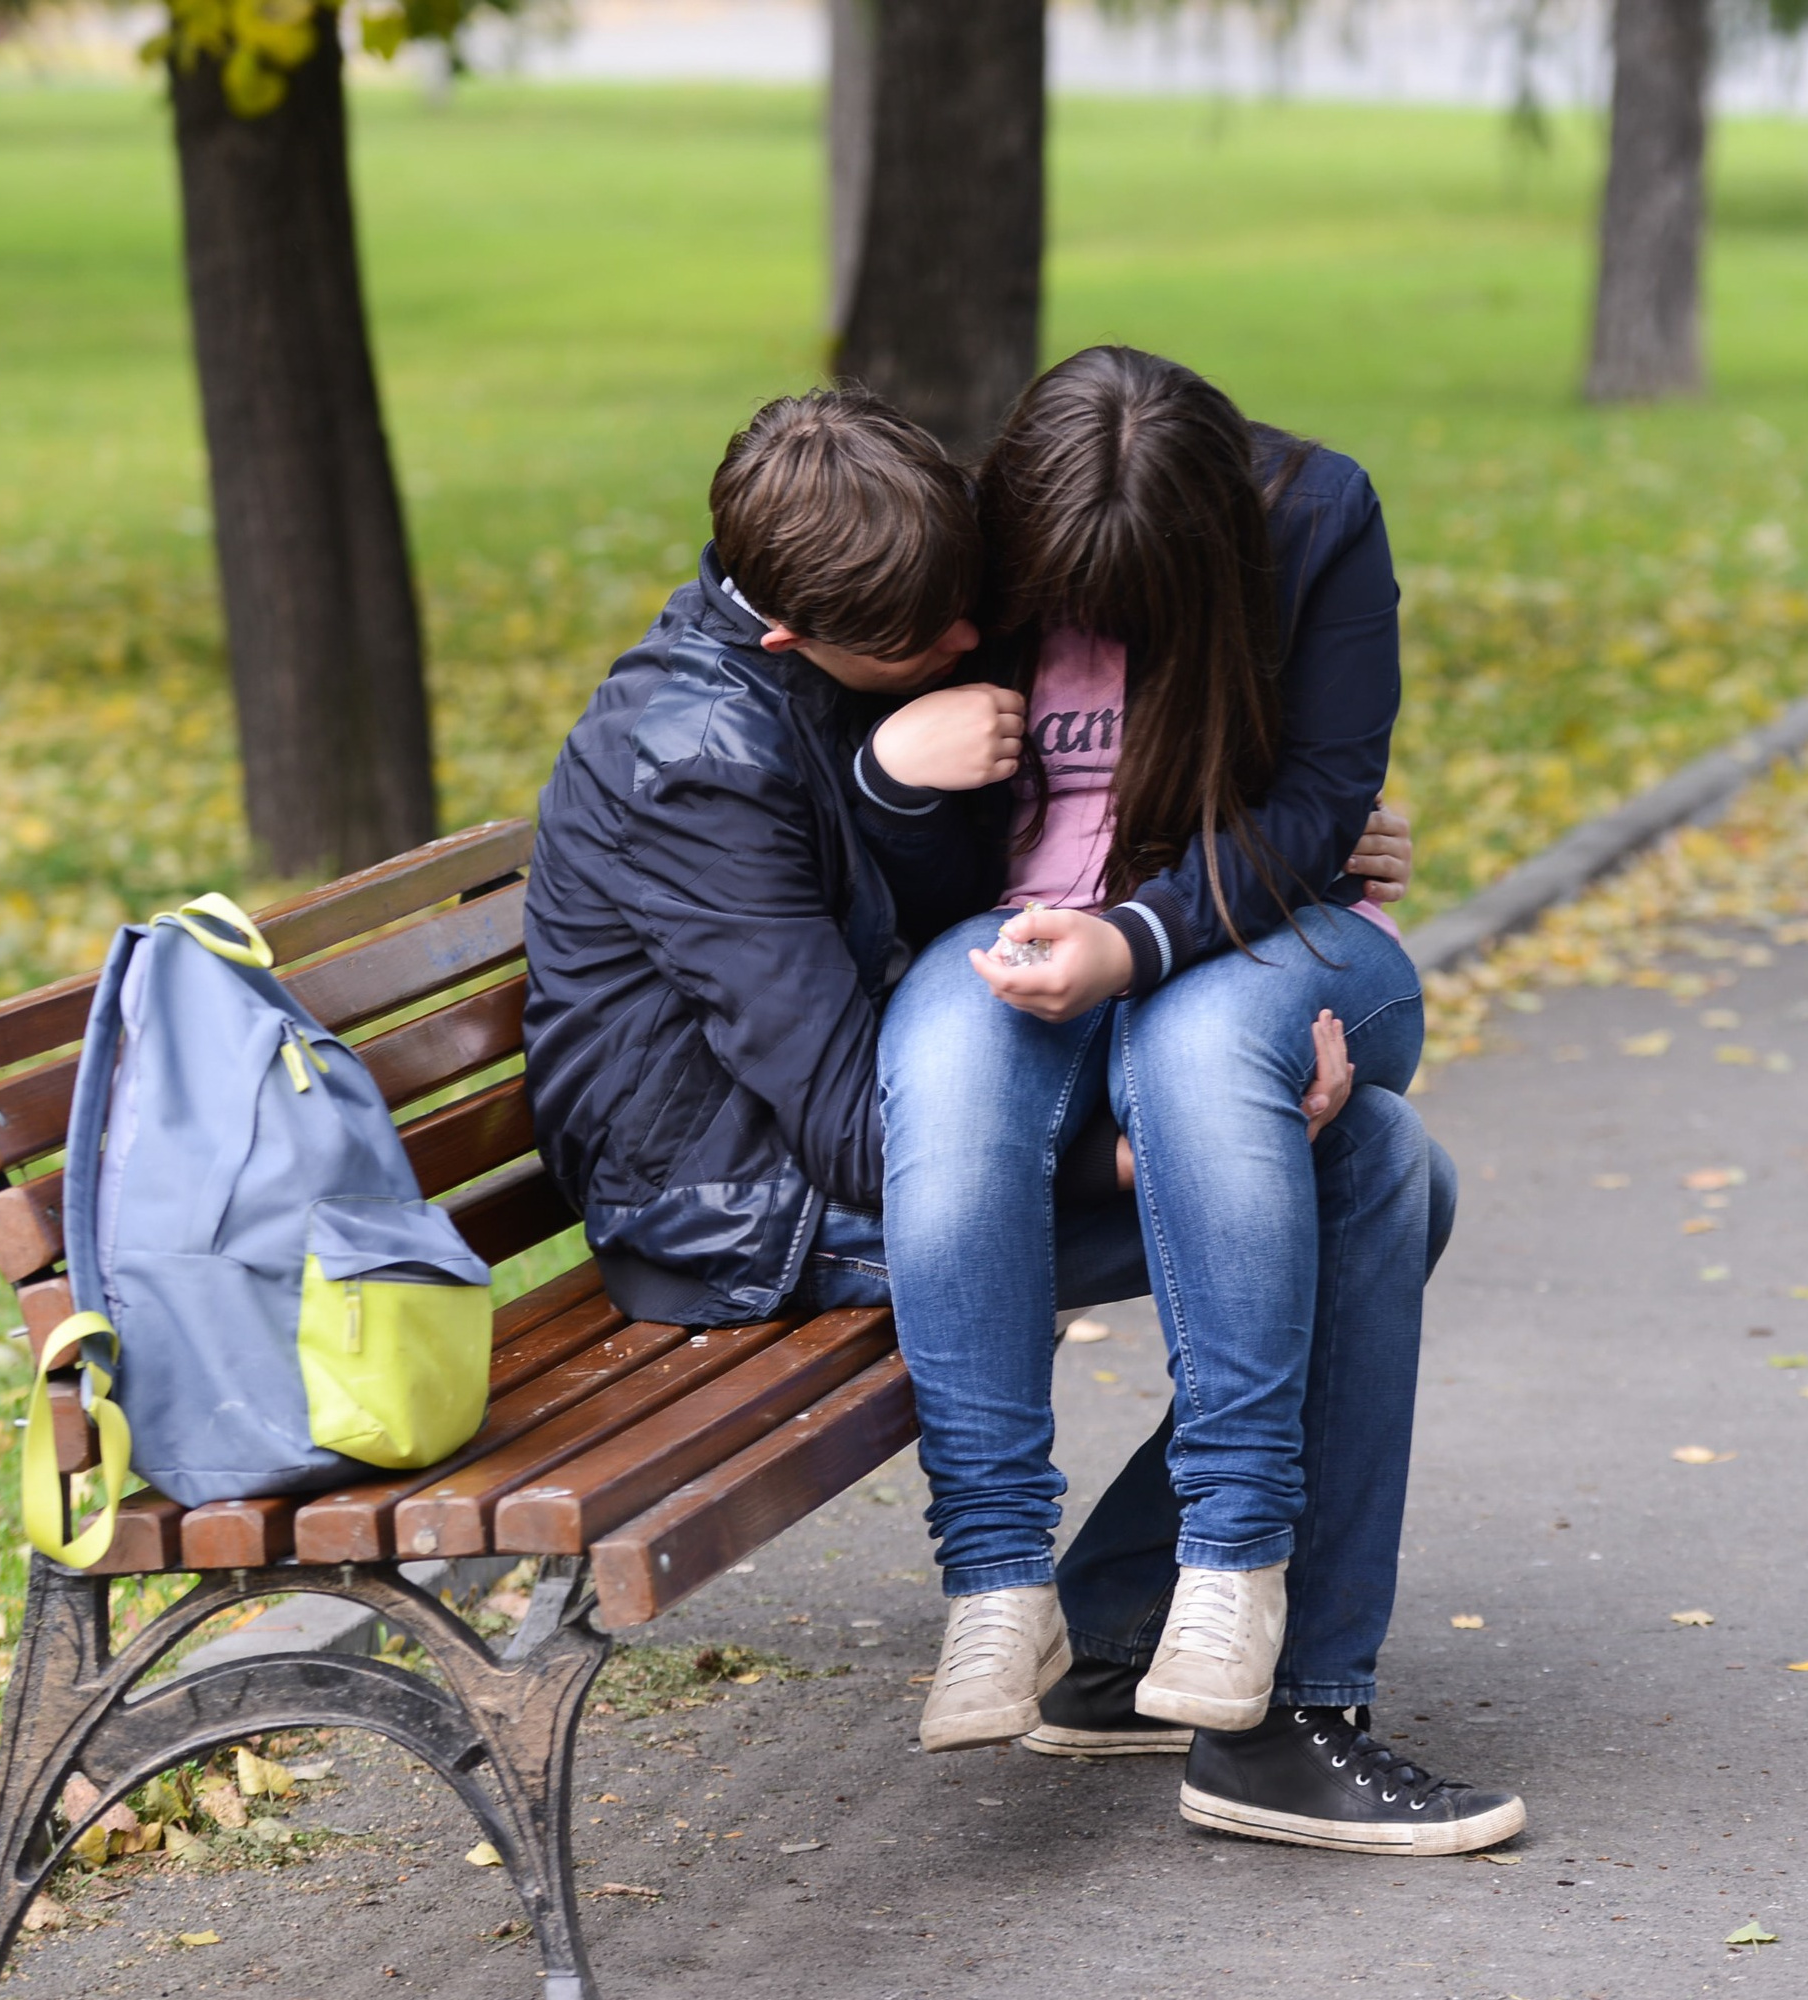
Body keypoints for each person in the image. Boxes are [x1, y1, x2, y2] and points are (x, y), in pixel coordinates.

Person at [518, 384, 1519, 1854]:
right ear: (803, 642)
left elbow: (1015, 862)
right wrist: (1157, 1141)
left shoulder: (853, 619)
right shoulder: (702, 756)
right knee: (1364, 1171)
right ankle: (1248, 1695)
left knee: (1372, 1168)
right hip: (755, 1214)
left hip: (872, 1139)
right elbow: (866, 1123)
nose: (974, 642)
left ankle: (1127, 1639)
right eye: (932, 643)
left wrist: (1292, 836)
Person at [861, 346, 1527, 1854]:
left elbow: (1319, 805)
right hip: (1031, 964)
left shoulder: (1312, 523)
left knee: (1199, 1054)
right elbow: (781, 657)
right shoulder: (985, 538)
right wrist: (900, 786)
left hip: (1251, 933)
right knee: (1382, 1170)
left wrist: (1137, 939)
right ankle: (1019, 1597)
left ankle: (1232, 1570)